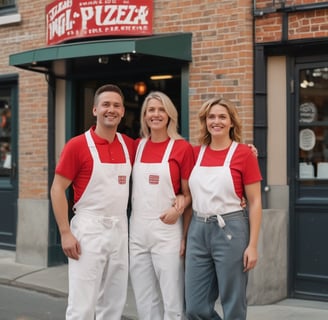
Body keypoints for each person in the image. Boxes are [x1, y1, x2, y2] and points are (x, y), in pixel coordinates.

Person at [50, 84, 135, 320]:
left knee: (114, 302)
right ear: (95, 110)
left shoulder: (129, 145)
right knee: (83, 305)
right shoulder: (76, 145)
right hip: (88, 230)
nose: (111, 109)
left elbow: (165, 154)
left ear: (123, 112)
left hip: (119, 229)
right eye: (106, 104)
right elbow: (57, 188)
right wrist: (65, 232)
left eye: (116, 105)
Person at [185, 97, 262, 320]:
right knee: (195, 308)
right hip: (198, 230)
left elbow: (255, 201)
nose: (216, 121)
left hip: (231, 228)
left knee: (233, 303)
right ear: (205, 121)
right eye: (211, 117)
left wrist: (253, 245)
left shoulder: (244, 154)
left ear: (231, 123)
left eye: (222, 117)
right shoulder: (194, 153)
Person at [129, 91, 194, 320]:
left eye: (161, 109)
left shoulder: (182, 148)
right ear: (144, 116)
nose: (155, 114)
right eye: (151, 110)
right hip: (137, 231)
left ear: (170, 115)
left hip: (167, 232)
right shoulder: (136, 146)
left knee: (172, 298)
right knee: (144, 298)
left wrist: (179, 208)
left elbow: (190, 194)